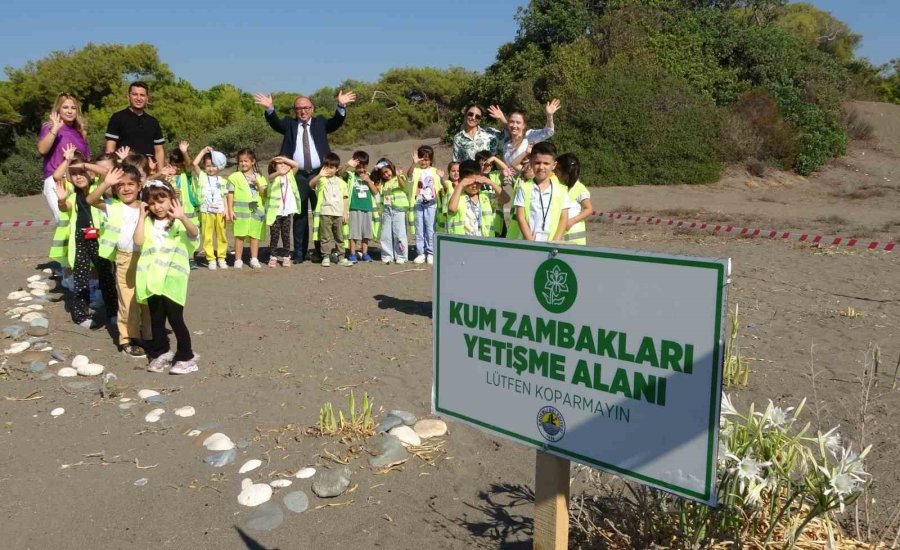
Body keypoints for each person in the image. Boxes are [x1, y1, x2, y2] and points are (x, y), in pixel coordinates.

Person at [254, 90, 357, 263]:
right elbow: (276, 123)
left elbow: (336, 122)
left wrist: (341, 106)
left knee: (322, 213)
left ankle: (320, 252)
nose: (303, 111)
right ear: (295, 110)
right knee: (300, 215)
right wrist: (270, 108)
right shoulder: (289, 124)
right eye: (299, 108)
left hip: (321, 174)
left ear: (312, 108)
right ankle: (299, 253)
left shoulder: (320, 122)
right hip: (298, 176)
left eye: (306, 108)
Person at [133, 180, 200, 374]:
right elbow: (138, 241)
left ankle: (186, 356)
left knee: (176, 318)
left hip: (172, 279)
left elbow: (194, 234)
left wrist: (183, 217)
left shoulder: (178, 221)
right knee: (156, 319)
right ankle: (161, 352)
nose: (157, 206)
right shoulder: (147, 221)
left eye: (161, 201)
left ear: (171, 199)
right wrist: (140, 216)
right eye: (152, 203)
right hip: (152, 280)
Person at [48, 145, 117, 329]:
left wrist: (85, 165)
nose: (79, 176)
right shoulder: (71, 194)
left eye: (82, 173)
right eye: (75, 174)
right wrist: (68, 161)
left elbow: (106, 172)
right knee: (80, 279)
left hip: (100, 240)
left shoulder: (99, 188)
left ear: (90, 174)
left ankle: (112, 313)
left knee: (107, 277)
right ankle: (81, 315)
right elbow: (57, 179)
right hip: (79, 241)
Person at [86, 164, 152, 357]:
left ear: (140, 185)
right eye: (120, 185)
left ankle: (148, 335)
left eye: (131, 184)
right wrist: (106, 182)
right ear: (115, 189)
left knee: (147, 299)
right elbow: (91, 199)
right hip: (125, 259)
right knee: (128, 300)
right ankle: (128, 339)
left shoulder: (147, 206)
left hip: (147, 258)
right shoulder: (113, 207)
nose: (126, 188)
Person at [38, 93, 92, 224]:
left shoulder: (80, 131)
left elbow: (87, 159)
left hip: (77, 181)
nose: (69, 111)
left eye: (73, 108)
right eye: (65, 107)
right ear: (58, 109)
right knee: (64, 222)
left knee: (80, 223)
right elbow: (42, 150)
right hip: (57, 181)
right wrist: (55, 129)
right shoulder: (49, 127)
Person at [508, 142, 574, 242]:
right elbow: (520, 217)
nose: (541, 167)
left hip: (552, 244)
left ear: (554, 165)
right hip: (530, 243)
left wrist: (555, 241)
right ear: (531, 163)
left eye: (546, 163)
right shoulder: (523, 188)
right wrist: (531, 242)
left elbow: (563, 218)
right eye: (537, 163)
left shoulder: (562, 190)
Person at [487, 99, 561, 173]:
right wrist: (501, 118)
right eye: (511, 122)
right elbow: (511, 128)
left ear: (523, 125)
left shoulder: (528, 136)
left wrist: (549, 115)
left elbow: (548, 131)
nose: (514, 125)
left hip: (527, 182)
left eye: (518, 122)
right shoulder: (507, 143)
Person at [104, 82, 165, 168]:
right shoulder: (117, 117)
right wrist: (111, 169)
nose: (138, 98)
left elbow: (159, 150)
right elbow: (110, 147)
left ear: (147, 98)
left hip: (149, 170)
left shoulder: (153, 122)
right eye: (135, 94)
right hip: (125, 170)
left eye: (142, 95)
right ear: (128, 97)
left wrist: (161, 174)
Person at [226, 148, 268, 269]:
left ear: (253, 161)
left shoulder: (259, 176)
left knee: (254, 236)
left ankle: (254, 258)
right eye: (241, 161)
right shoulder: (235, 177)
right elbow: (230, 194)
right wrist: (230, 210)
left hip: (256, 212)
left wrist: (257, 184)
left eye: (246, 161)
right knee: (240, 236)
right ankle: (238, 259)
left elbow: (263, 193)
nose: (243, 163)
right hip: (241, 213)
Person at [309, 153, 352, 267]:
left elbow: (345, 198)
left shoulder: (342, 182)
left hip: (338, 213)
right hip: (325, 212)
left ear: (336, 168)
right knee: (325, 236)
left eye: (332, 167)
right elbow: (311, 184)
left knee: (339, 236)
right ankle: (326, 256)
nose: (329, 169)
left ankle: (341, 256)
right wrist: (319, 175)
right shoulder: (321, 180)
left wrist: (345, 213)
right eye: (326, 166)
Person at [447, 160, 509, 237]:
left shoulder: (485, 196)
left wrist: (490, 182)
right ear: (461, 180)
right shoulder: (456, 196)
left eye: (477, 182)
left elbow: (506, 199)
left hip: (484, 242)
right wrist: (460, 185)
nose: (474, 186)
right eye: (470, 183)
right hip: (463, 243)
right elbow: (452, 208)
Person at [192, 146, 230, 270]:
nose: (211, 168)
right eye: (208, 165)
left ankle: (222, 257)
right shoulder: (202, 176)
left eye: (214, 166)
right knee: (207, 236)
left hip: (220, 211)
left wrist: (227, 211)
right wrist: (203, 151)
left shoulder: (223, 180)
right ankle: (211, 259)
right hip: (206, 211)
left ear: (219, 166)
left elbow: (225, 197)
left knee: (222, 235)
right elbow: (194, 163)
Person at [407, 145, 442, 264]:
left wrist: (441, 178)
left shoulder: (435, 171)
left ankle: (431, 253)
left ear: (431, 160)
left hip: (432, 204)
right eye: (422, 159)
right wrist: (413, 163)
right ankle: (421, 253)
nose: (424, 162)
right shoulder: (416, 170)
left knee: (430, 228)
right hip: (418, 203)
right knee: (419, 229)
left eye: (426, 159)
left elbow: (440, 186)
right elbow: (409, 176)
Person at [168, 142, 200, 268]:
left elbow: (189, 165)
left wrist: (184, 152)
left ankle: (191, 257)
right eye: (174, 165)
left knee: (190, 235)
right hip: (172, 212)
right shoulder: (167, 176)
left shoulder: (185, 174)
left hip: (188, 211)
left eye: (179, 166)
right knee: (175, 234)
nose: (176, 168)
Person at [265, 156, 301, 268]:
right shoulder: (274, 177)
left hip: (287, 211)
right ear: (274, 167)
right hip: (276, 211)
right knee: (274, 235)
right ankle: (273, 256)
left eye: (285, 164)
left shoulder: (290, 175)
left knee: (286, 235)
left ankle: (286, 256)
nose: (283, 165)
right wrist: (278, 172)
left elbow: (296, 165)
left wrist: (283, 159)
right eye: (279, 164)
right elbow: (270, 177)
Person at [374, 158, 409, 265]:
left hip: (398, 210)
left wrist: (398, 176)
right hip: (387, 210)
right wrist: (376, 169)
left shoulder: (399, 178)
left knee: (399, 234)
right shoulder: (382, 183)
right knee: (386, 234)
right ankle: (387, 255)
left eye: (387, 171)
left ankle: (401, 255)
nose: (386, 175)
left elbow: (404, 187)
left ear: (391, 169)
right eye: (383, 173)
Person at [555, 153, 594, 246]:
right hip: (560, 232)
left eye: (556, 170)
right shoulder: (557, 185)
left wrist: (572, 221)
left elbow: (588, 209)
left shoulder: (579, 187)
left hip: (575, 234)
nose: (555, 173)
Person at [345, 151, 377, 263]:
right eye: (358, 167)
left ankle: (365, 253)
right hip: (354, 207)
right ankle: (352, 254)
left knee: (366, 233)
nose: (361, 170)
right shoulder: (350, 175)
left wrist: (368, 181)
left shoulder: (370, 176)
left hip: (367, 208)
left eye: (363, 167)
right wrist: (347, 165)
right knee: (354, 233)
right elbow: (339, 173)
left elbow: (375, 192)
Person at [474, 150, 513, 237]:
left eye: (489, 164)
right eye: (483, 164)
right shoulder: (475, 178)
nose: (487, 167)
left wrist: (494, 158)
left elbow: (506, 169)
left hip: (496, 221)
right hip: (480, 221)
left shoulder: (495, 175)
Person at [435, 161, 459, 235]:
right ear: (449, 172)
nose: (456, 173)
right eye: (453, 171)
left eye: (458, 171)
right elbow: (444, 185)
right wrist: (441, 178)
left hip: (459, 216)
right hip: (449, 217)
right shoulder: (448, 183)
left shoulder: (463, 184)